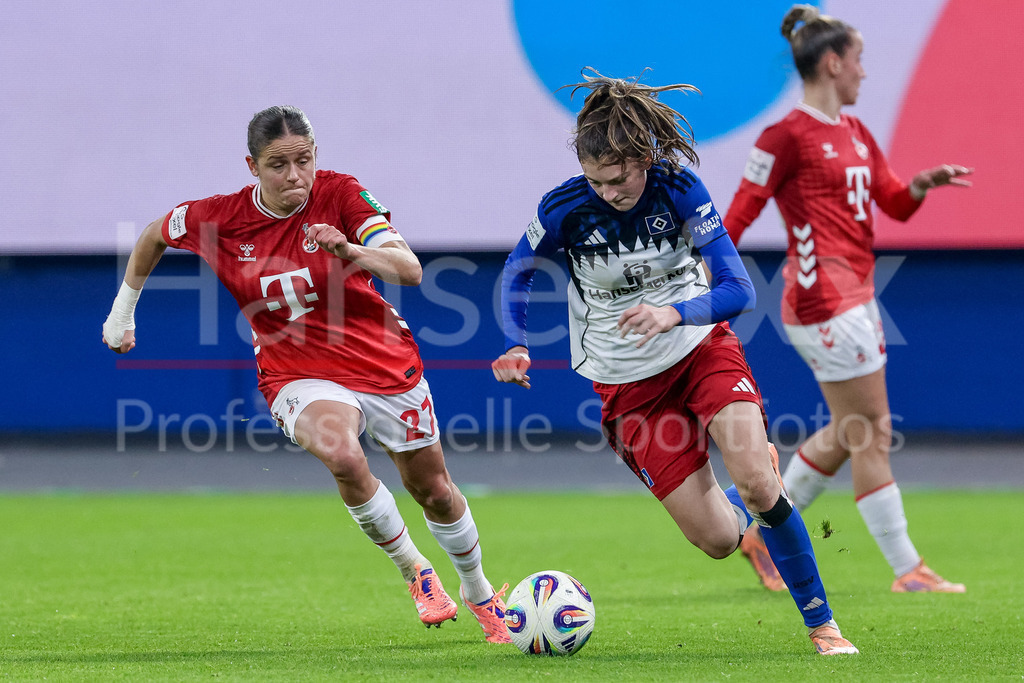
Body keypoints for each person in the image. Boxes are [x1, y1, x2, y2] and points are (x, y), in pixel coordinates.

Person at [102, 105, 512, 644]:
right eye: (279, 165)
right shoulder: (218, 218)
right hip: (294, 371)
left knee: (432, 489)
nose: (295, 175)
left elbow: (409, 270)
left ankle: (478, 592)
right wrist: (122, 311)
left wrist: (351, 248)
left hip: (380, 359)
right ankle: (416, 571)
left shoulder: (340, 193)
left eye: (305, 160)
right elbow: (154, 234)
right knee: (343, 454)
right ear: (252, 165)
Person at [492, 68, 859, 656]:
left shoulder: (678, 189)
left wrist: (675, 313)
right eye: (596, 180)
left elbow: (738, 289)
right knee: (717, 539)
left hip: (700, 352)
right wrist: (516, 342)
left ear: (644, 157)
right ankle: (746, 494)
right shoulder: (563, 208)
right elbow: (516, 272)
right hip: (625, 386)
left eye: (617, 178)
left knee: (761, 485)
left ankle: (823, 626)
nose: (608, 192)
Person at [725, 5, 971, 594]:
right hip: (823, 302)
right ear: (833, 63)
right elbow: (735, 217)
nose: (864, 72)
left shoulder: (856, 133)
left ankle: (763, 533)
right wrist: (705, 283)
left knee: (848, 429)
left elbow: (892, 201)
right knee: (872, 431)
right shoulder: (784, 136)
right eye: (858, 60)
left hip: (856, 299)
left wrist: (920, 184)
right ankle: (907, 569)